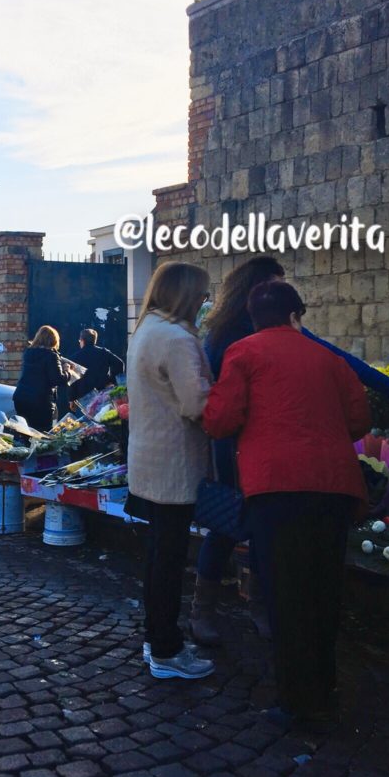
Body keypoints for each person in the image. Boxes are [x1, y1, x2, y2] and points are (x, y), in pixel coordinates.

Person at [191, 256, 389, 645]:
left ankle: (260, 605)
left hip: (266, 445)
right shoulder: (226, 337)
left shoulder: (276, 331)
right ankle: (203, 609)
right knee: (227, 522)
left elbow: (338, 358)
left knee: (263, 528)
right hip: (234, 443)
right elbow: (218, 400)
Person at [204, 281, 370, 726]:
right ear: (297, 315)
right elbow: (359, 418)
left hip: (276, 488)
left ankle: (298, 700)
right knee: (324, 588)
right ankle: (325, 683)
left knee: (286, 593)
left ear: (253, 317)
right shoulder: (329, 359)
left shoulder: (243, 353)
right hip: (334, 485)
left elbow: (220, 420)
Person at [127, 262, 216, 681]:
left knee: (158, 558)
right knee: (169, 561)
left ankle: (156, 638)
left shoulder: (147, 329)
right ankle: (166, 649)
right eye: (202, 294)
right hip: (176, 464)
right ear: (186, 295)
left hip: (150, 460)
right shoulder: (178, 339)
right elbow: (197, 405)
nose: (205, 302)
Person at [13, 326, 70, 431]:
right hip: (40, 401)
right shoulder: (51, 356)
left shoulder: (28, 353)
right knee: (42, 433)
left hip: (21, 397)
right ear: (53, 340)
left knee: (25, 431)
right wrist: (67, 371)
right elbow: (57, 379)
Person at [68, 329, 124, 403]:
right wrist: (112, 381)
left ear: (82, 340)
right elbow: (119, 363)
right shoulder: (104, 352)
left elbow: (72, 380)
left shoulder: (74, 358)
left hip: (83, 397)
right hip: (103, 393)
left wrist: (71, 399)